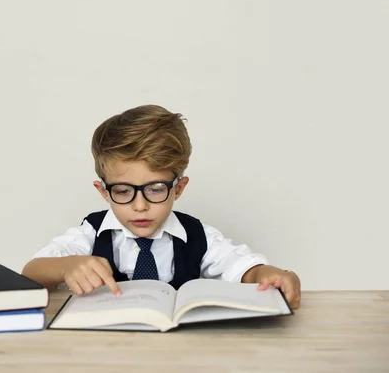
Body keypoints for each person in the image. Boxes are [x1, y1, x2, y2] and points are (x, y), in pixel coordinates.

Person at [21, 104, 301, 309]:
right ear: (103, 191)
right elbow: (31, 272)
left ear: (178, 188)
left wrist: (268, 275)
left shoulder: (197, 235)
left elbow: (241, 267)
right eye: (122, 191)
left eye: (155, 189)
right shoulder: (90, 233)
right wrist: (67, 266)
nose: (140, 206)